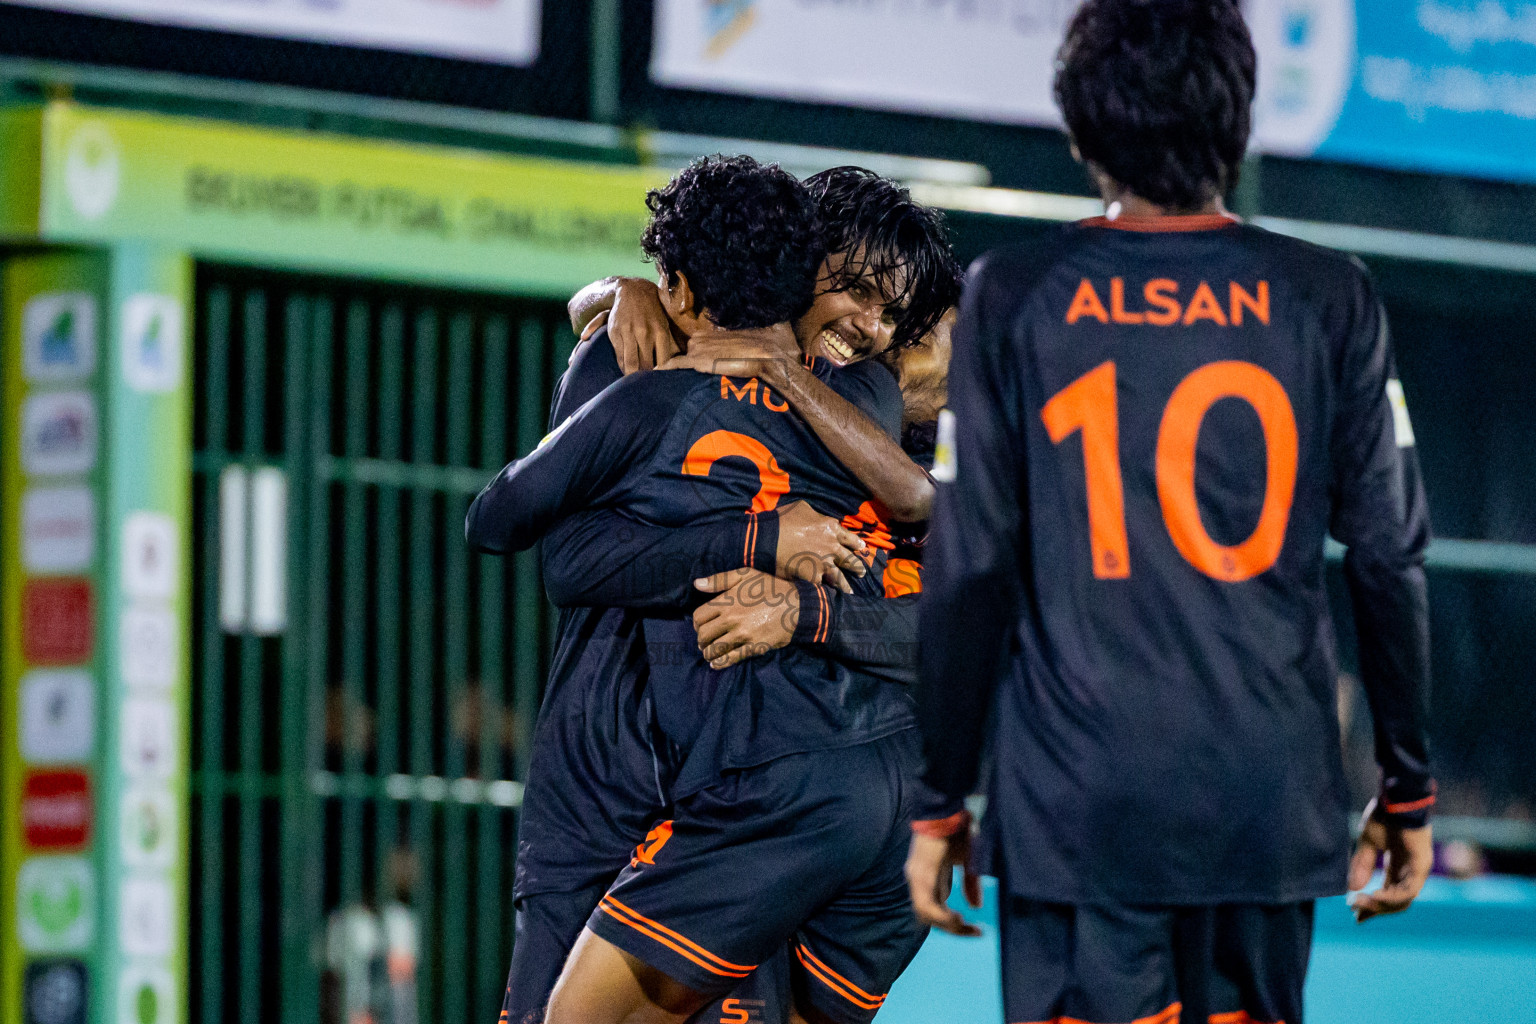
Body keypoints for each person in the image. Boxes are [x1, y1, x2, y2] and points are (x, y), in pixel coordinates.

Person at [905, 4, 1436, 1024]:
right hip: (1265, 799)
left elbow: (969, 565)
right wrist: (1406, 782)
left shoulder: (1015, 295)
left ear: (1079, 127)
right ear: (1239, 118)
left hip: (1079, 799)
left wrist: (940, 796)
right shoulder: (1331, 296)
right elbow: (1388, 557)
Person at [471, 156, 951, 1024]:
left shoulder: (868, 423)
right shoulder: (637, 362)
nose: (884, 336)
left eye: (903, 321)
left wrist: (805, 609)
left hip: (738, 798)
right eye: (866, 297)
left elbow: (954, 613)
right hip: (608, 783)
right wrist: (613, 294)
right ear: (796, 260)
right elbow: (568, 560)